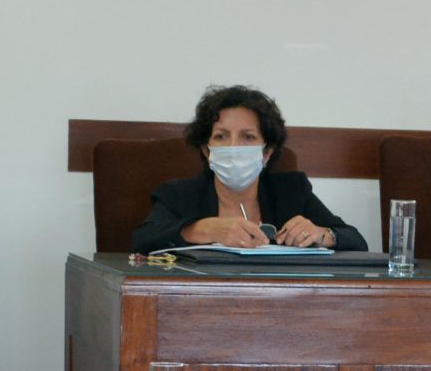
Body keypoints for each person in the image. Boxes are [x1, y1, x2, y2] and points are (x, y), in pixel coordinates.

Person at [129, 84, 366, 253]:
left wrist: (323, 235)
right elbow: (142, 239)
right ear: (206, 150)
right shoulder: (179, 194)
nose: (233, 147)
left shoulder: (291, 191)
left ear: (267, 152)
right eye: (221, 136)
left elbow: (356, 240)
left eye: (248, 137)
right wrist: (207, 229)